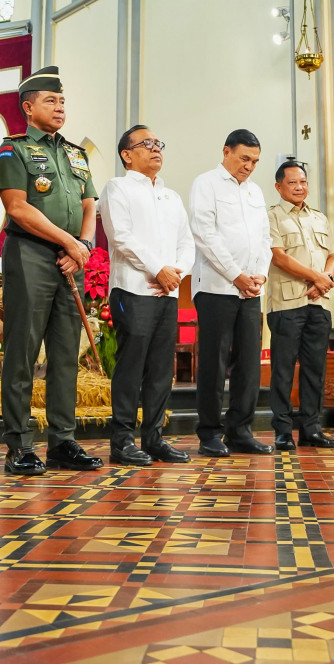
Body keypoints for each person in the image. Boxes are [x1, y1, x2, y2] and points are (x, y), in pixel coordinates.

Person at [0, 66, 103, 475]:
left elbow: (90, 204)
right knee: (22, 352)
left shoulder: (75, 153)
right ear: (28, 107)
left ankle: (63, 441)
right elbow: (17, 207)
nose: (60, 108)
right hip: (32, 255)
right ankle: (19, 445)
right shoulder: (13, 149)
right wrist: (67, 242)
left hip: (73, 259)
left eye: (62, 102)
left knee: (64, 355)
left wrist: (84, 247)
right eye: (50, 101)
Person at [98, 125, 195, 466]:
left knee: (159, 368)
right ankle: (122, 441)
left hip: (166, 293)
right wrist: (159, 269)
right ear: (127, 154)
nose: (156, 149)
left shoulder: (171, 197)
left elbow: (187, 242)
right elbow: (121, 237)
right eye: (146, 144)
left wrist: (177, 273)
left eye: (158, 143)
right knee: (131, 366)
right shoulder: (117, 188)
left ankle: (154, 438)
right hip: (132, 289)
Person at [189, 129, 273, 457]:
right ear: (226, 151)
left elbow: (264, 238)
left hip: (251, 289)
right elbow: (204, 234)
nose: (249, 166)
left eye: (254, 161)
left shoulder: (255, 192)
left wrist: (259, 275)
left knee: (249, 363)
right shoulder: (205, 183)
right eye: (244, 158)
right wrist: (236, 275)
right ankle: (209, 433)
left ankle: (241, 430)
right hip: (216, 287)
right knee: (214, 360)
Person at [267, 160, 334, 450]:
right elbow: (279, 257)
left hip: (319, 303)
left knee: (315, 369)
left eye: (303, 182)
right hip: (287, 303)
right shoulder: (272, 216)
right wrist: (316, 277)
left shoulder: (320, 217)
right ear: (279, 187)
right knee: (283, 370)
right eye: (292, 183)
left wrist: (326, 278)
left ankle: (311, 429)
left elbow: (333, 255)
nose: (300, 187)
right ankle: (283, 431)